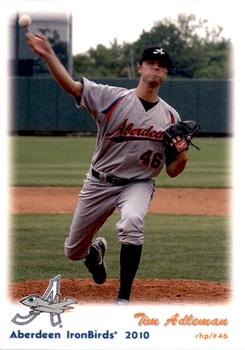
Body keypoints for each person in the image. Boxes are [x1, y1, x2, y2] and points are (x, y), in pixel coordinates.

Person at [26, 32, 189, 304]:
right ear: (140, 68)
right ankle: (93, 253)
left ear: (166, 73)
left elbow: (173, 170)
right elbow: (72, 86)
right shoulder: (112, 99)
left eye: (161, 65)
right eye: (150, 62)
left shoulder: (172, 117)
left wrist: (181, 155)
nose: (156, 68)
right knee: (73, 251)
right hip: (99, 182)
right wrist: (48, 55)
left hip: (137, 183)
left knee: (133, 222)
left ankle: (123, 298)